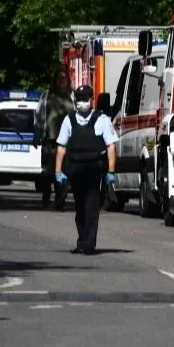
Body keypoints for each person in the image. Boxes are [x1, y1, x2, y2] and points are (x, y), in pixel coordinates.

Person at [54, 85, 118, 255]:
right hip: (75, 169)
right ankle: (82, 240)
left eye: (85, 98)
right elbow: (61, 147)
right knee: (80, 206)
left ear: (92, 99)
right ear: (75, 100)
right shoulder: (69, 120)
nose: (82, 102)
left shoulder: (102, 119)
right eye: (79, 98)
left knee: (92, 206)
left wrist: (111, 171)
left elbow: (111, 146)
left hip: (93, 168)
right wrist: (58, 171)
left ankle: (89, 243)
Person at [34, 67, 75, 209]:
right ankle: (46, 195)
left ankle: (60, 199)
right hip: (50, 140)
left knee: (64, 171)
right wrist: (37, 134)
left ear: (67, 81)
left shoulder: (73, 96)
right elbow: (39, 115)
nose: (61, 81)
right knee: (48, 172)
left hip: (67, 142)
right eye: (58, 79)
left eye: (63, 79)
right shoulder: (46, 95)